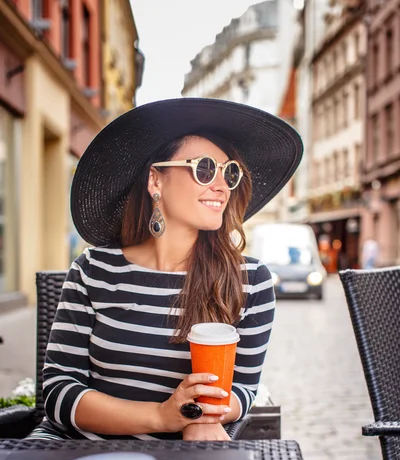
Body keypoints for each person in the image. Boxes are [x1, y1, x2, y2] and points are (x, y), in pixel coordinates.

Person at [36, 98, 303, 442]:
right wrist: (160, 416)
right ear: (155, 181)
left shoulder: (249, 281)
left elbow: (242, 391)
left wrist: (204, 414)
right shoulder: (93, 270)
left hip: (177, 459)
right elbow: (58, 390)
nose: (222, 186)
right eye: (205, 168)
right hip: (72, 448)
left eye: (230, 172)